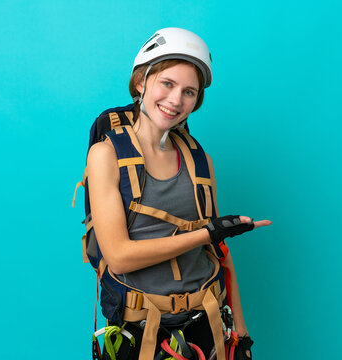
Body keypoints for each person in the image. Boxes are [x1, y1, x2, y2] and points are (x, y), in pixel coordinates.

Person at [86, 27, 272, 359]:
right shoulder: (106, 154)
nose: (176, 100)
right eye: (167, 84)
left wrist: (240, 335)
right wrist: (207, 233)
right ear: (142, 82)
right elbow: (119, 255)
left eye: (189, 91)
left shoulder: (200, 162)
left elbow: (220, 253)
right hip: (141, 331)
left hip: (207, 324)